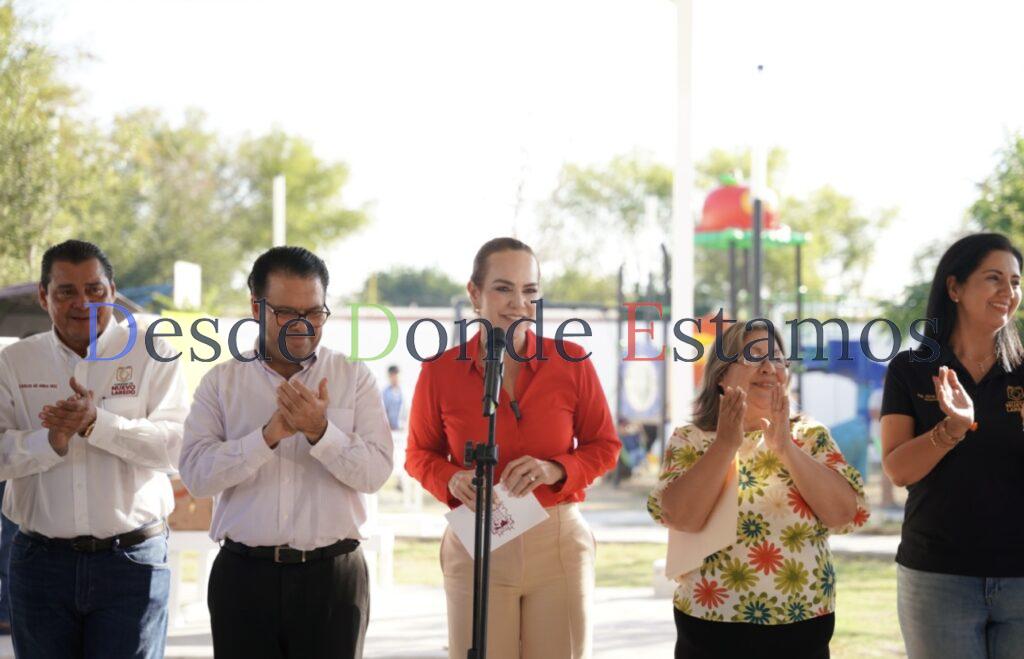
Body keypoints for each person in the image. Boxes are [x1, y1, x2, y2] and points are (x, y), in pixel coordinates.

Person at [405, 237, 620, 659]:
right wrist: (453, 478)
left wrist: (556, 469)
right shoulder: (439, 370)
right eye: (503, 288)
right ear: (475, 294)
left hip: (556, 543)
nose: (518, 303)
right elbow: (418, 454)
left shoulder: (572, 360)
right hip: (476, 541)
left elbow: (605, 445)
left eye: (530, 291)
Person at [180, 246, 393, 659]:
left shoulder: (353, 377)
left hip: (334, 579)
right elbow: (196, 476)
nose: (302, 325)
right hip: (244, 579)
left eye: (314, 313)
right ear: (256, 307)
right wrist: (268, 435)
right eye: (285, 312)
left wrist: (320, 432)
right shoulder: (221, 383)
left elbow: (375, 473)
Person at [0, 239, 188, 659]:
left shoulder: (152, 352)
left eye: (95, 290)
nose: (83, 302)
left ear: (113, 291)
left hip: (133, 563)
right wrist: (49, 440)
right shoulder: (14, 362)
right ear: (43, 296)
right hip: (40, 563)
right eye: (66, 291)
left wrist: (96, 424)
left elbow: (175, 448)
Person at [648, 320, 869, 659]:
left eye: (777, 358)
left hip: (802, 626)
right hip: (709, 627)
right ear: (722, 376)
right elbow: (681, 517)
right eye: (753, 356)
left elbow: (844, 514)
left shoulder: (811, 436)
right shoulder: (691, 439)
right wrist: (725, 444)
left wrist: (785, 448)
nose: (769, 368)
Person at [880, 232, 1024, 659]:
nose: (1008, 292)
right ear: (955, 287)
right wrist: (953, 428)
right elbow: (899, 470)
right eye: (994, 278)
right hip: (937, 578)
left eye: (1015, 282)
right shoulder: (910, 368)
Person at [382, 364, 404, 430]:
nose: (394, 377)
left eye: (396, 375)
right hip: (389, 429)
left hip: (402, 429)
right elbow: (383, 411)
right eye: (392, 375)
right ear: (389, 376)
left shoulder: (404, 392)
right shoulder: (384, 393)